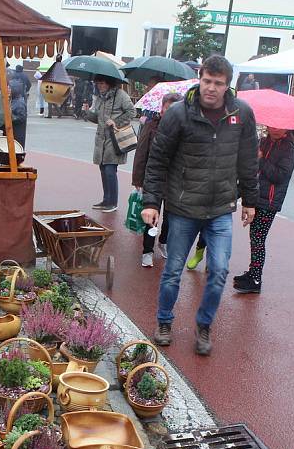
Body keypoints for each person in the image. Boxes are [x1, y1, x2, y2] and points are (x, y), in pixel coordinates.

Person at [142, 54, 258, 356]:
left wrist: (250, 200)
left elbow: (247, 159)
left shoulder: (242, 114)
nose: (211, 88)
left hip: (220, 208)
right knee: (173, 271)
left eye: (218, 83)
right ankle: (164, 321)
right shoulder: (179, 114)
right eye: (207, 81)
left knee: (219, 271)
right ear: (200, 79)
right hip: (183, 208)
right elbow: (158, 161)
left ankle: (204, 324)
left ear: (227, 86)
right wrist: (151, 201)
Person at [233, 127, 294, 293]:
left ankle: (255, 279)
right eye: (272, 126)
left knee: (258, 239)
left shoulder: (288, 149)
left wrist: (261, 160)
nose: (274, 130)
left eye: (279, 128)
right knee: (255, 237)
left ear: (286, 129)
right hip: (257, 196)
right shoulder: (264, 141)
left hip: (269, 202)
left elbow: (280, 176)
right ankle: (252, 272)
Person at [132, 92, 183, 266]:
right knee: (151, 215)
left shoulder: (183, 130)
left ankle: (164, 241)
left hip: (174, 181)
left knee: (170, 217)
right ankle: (147, 250)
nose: (170, 112)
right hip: (153, 178)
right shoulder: (151, 126)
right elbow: (141, 153)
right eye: (167, 108)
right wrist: (138, 179)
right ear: (161, 109)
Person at [83, 74, 135, 213]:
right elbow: (98, 119)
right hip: (101, 139)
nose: (99, 86)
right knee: (103, 169)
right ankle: (106, 200)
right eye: (97, 83)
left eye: (101, 83)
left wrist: (116, 122)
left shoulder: (120, 95)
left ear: (109, 83)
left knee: (110, 170)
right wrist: (88, 112)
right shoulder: (100, 98)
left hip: (115, 138)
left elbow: (132, 112)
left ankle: (113, 202)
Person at [9, 79, 27, 148]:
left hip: (17, 133)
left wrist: (11, 117)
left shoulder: (19, 103)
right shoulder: (14, 101)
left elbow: (21, 118)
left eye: (9, 88)